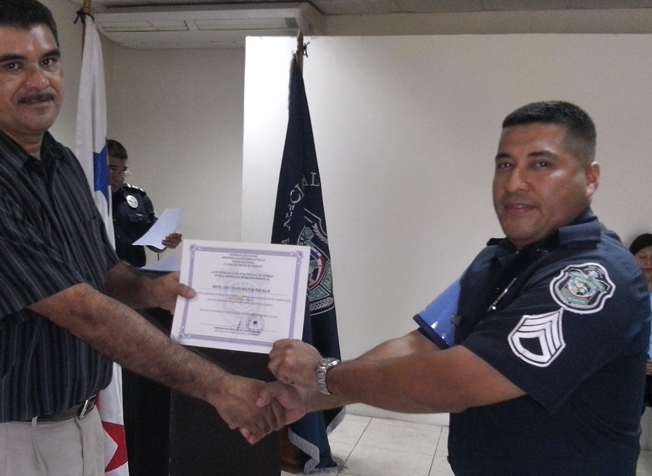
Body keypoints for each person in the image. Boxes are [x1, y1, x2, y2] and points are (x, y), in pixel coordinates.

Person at [0, 1, 283, 474]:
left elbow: (101, 273)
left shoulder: (62, 163)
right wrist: (219, 386)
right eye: (12, 66)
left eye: (49, 61)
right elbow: (82, 311)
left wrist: (151, 290)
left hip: (78, 427)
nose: (39, 82)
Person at [261, 101, 652, 475]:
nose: (515, 183)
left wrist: (325, 373)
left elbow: (458, 382)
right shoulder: (498, 260)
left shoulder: (595, 278)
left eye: (541, 164)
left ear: (590, 178)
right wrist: (312, 396)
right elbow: (421, 344)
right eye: (505, 165)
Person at [108, 139, 181, 267]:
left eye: (123, 171)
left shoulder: (138, 198)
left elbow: (155, 244)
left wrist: (168, 240)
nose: (118, 177)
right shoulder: (85, 199)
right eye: (112, 170)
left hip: (133, 274)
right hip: (96, 275)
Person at [630, 233, 652, 407]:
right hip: (633, 369)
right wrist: (637, 363)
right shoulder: (624, 294)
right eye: (642, 257)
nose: (648, 263)